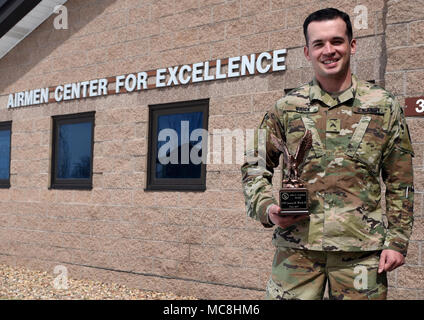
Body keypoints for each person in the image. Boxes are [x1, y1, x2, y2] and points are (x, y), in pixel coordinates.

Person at [241, 8, 414, 300]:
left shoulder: (383, 106)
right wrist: (268, 208)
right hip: (297, 252)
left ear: (352, 45)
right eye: (319, 44)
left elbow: (401, 180)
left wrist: (397, 240)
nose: (329, 50)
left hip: (361, 253)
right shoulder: (285, 108)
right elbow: (255, 165)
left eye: (337, 41)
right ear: (307, 52)